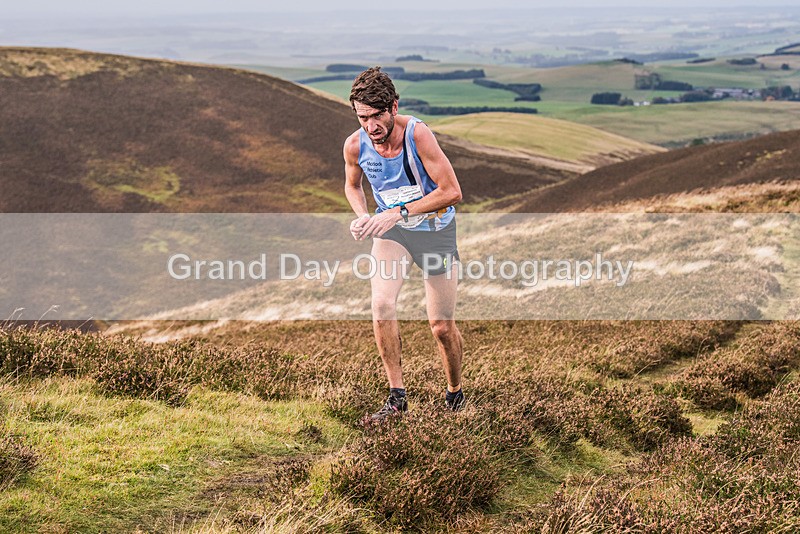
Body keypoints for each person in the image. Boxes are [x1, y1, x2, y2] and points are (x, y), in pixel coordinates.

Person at [343, 66, 465, 421]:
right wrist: (363, 215)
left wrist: (398, 211)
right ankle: (397, 397)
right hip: (392, 232)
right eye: (362, 117)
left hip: (435, 230)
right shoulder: (355, 144)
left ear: (393, 107)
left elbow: (452, 192)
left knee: (441, 327)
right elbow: (352, 184)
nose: (371, 126)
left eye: (377, 116)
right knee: (381, 305)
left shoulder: (418, 135)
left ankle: (455, 394)